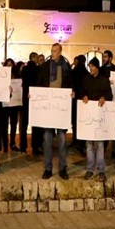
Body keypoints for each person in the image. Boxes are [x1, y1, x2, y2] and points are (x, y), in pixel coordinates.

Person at [35, 42, 73, 180]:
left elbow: (70, 83)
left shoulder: (66, 67)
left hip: (61, 109)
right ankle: (48, 168)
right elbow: (39, 83)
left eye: (55, 51)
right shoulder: (45, 66)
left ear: (60, 51)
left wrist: (72, 93)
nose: (53, 53)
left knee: (62, 140)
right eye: (52, 51)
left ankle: (63, 168)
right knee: (47, 139)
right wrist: (34, 95)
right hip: (48, 109)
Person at [80, 57, 112, 181]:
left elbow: (109, 95)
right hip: (89, 116)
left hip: (99, 116)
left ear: (97, 67)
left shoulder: (104, 80)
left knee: (99, 144)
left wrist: (104, 97)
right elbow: (81, 92)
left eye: (92, 66)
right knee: (88, 144)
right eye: (90, 67)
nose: (91, 69)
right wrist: (84, 96)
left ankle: (101, 170)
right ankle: (89, 169)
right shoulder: (86, 79)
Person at [22, 51, 41, 155]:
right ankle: (35, 146)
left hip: (25, 98)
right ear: (34, 58)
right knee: (35, 124)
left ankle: (23, 146)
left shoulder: (24, 69)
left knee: (24, 124)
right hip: (35, 99)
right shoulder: (38, 69)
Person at [70, 54, 88, 157]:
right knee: (82, 122)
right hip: (83, 100)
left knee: (75, 121)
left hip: (74, 99)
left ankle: (75, 140)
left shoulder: (74, 71)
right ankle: (81, 143)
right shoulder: (85, 73)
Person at [5, 60, 22, 152]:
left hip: (14, 105)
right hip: (5, 105)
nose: (9, 67)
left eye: (10, 65)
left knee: (13, 124)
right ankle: (5, 143)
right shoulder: (1, 76)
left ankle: (12, 143)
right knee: (4, 125)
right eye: (7, 65)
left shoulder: (17, 77)